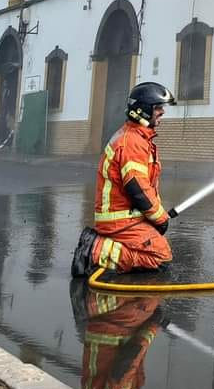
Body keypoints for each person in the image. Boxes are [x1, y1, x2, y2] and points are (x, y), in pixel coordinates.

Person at [71, 82, 177, 277]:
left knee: (156, 249)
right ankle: (94, 251)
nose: (162, 112)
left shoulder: (137, 138)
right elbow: (137, 188)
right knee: (160, 258)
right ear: (143, 110)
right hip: (120, 220)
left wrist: (154, 217)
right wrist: (159, 218)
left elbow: (145, 188)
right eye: (158, 108)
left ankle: (104, 248)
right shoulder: (132, 142)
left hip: (127, 217)